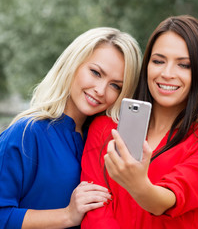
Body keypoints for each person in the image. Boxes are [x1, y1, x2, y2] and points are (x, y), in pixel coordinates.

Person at [80, 15, 198, 229]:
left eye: (184, 65)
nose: (167, 73)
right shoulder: (104, 128)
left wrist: (138, 184)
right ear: (147, 66)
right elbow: (95, 209)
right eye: (158, 61)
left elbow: (169, 199)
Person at [0, 27, 142, 229]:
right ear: (73, 64)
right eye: (95, 72)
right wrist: (67, 215)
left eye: (115, 86)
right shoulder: (26, 133)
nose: (101, 90)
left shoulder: (107, 141)